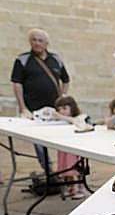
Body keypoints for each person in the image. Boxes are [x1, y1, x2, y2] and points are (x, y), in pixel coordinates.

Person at [11, 28, 70, 172]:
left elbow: (66, 80)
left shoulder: (56, 59)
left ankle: (64, 169)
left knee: (62, 139)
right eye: (34, 40)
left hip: (55, 109)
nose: (37, 43)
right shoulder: (23, 59)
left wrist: (62, 97)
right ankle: (48, 170)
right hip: (33, 108)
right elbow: (17, 83)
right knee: (38, 141)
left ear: (46, 43)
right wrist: (22, 107)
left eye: (40, 40)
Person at [53, 96, 87, 200]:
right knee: (64, 167)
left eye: (64, 108)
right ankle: (71, 187)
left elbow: (79, 122)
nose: (61, 111)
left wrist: (61, 117)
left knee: (74, 167)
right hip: (63, 147)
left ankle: (79, 187)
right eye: (59, 109)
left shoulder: (81, 117)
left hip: (75, 148)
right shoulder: (59, 121)